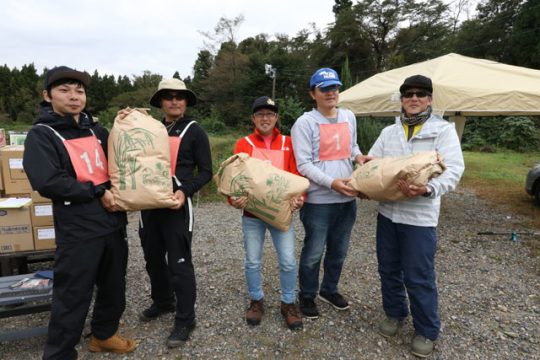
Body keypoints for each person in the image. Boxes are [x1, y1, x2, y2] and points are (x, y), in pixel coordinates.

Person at [23, 66, 136, 360]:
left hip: (112, 222)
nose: (74, 96)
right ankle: (59, 353)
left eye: (79, 90)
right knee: (73, 294)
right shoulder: (42, 135)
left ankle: (103, 334)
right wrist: (97, 192)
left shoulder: (95, 129)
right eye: (64, 90)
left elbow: (120, 154)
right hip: (78, 227)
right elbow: (48, 181)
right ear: (47, 96)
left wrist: (127, 124)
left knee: (114, 285)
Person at [368, 75, 464, 358]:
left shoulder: (442, 131)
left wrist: (428, 188)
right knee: (388, 269)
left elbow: (454, 171)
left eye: (420, 94)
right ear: (401, 100)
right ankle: (395, 313)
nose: (414, 98)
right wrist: (363, 175)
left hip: (419, 219)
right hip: (388, 214)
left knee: (418, 276)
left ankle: (426, 330)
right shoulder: (390, 132)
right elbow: (374, 164)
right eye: (408, 94)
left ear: (430, 99)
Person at [291, 68, 370, 319]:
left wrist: (359, 157)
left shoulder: (349, 116)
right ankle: (307, 295)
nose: (331, 93)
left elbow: (352, 146)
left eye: (334, 87)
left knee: (339, 250)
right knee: (314, 251)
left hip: (347, 198)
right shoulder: (304, 123)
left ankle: (329, 289)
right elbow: (304, 164)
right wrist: (332, 183)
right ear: (313, 93)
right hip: (319, 200)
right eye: (324, 89)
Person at [139, 78, 212, 348]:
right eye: (168, 96)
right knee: (152, 259)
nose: (174, 101)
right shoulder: (149, 129)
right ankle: (163, 301)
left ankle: (185, 318)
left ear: (185, 102)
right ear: (160, 101)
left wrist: (185, 191)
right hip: (148, 206)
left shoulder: (194, 131)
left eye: (180, 97)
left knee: (179, 264)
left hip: (176, 207)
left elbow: (206, 172)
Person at [229, 96, 305, 330]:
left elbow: (297, 176)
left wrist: (300, 197)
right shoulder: (243, 144)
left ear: (276, 118)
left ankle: (288, 303)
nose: (265, 118)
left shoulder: (289, 143)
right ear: (253, 118)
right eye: (260, 114)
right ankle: (256, 300)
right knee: (252, 261)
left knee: (289, 262)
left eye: (270, 114)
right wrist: (234, 199)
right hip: (252, 216)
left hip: (280, 215)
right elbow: (234, 179)